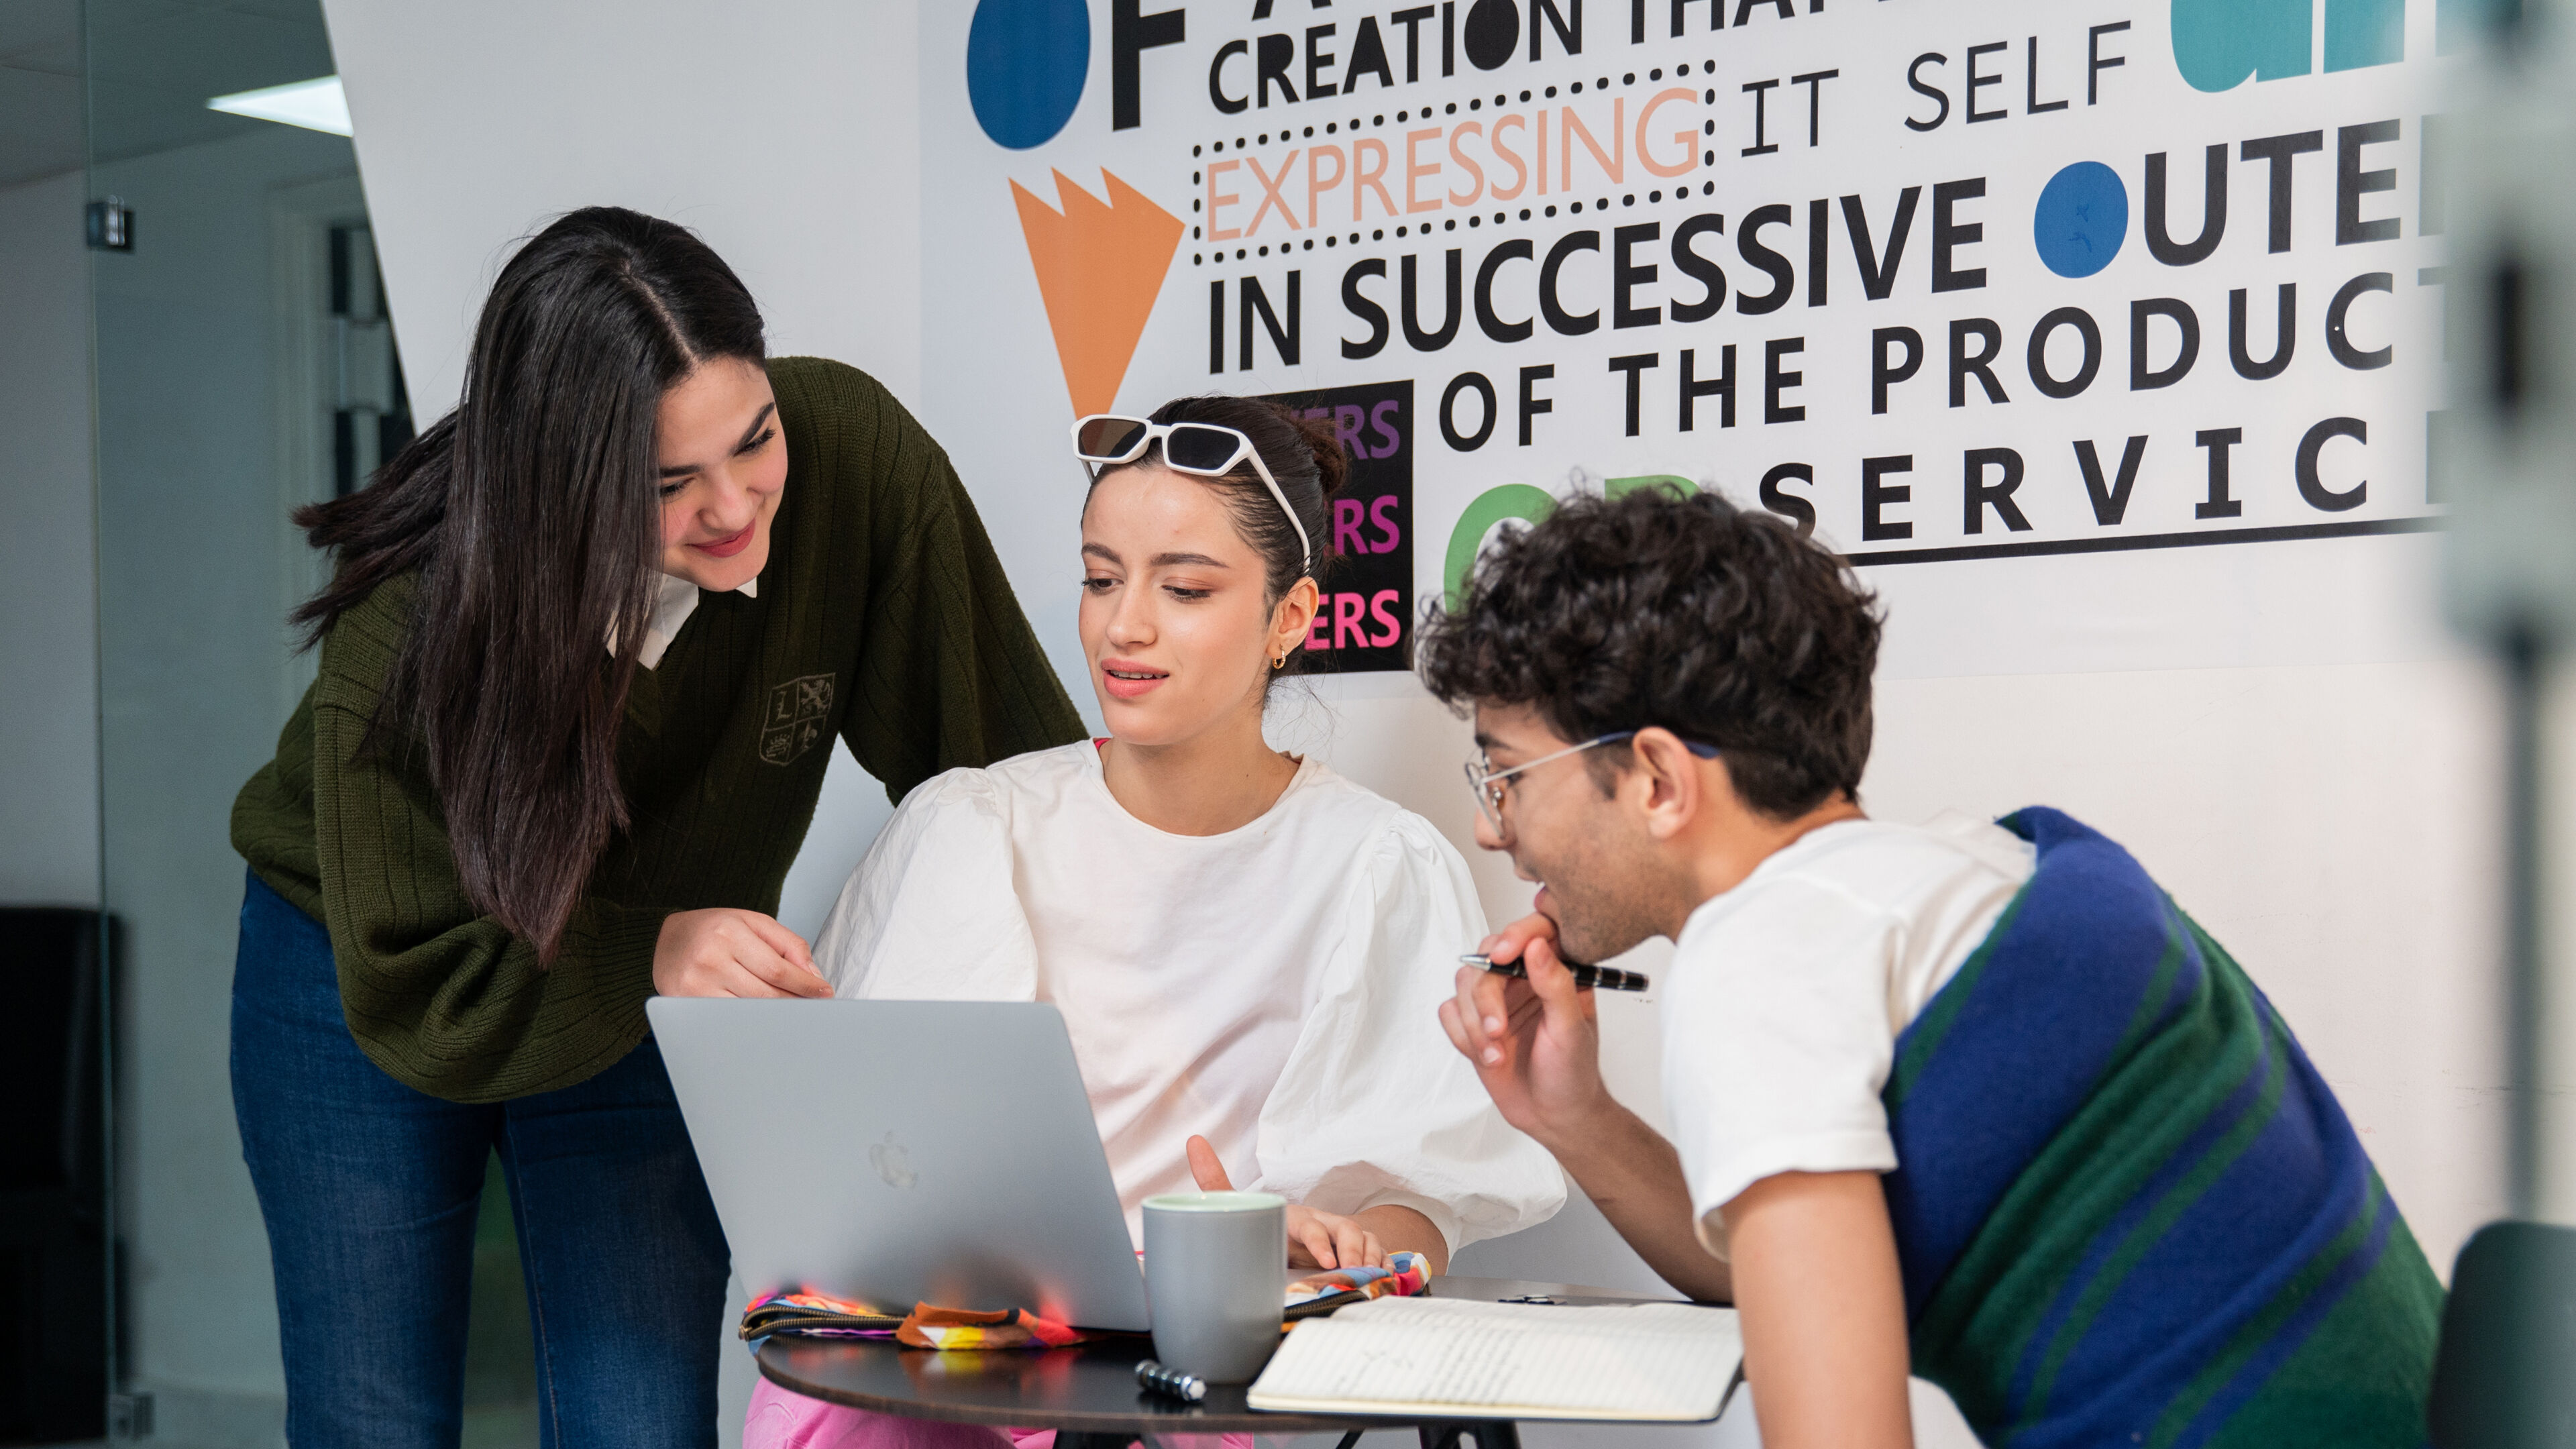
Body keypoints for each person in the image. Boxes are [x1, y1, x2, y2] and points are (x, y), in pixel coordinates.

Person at [228, 207, 1087, 1448]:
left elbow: (1015, 783)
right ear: (555, 489)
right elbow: (416, 971)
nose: (736, 509)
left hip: (660, 995)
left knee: (641, 1420)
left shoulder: (852, 460)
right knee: (376, 1420)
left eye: (753, 441)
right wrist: (648, 953)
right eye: (668, 484)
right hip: (372, 974)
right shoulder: (419, 622)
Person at [1417, 489, 2445, 1448]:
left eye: (1506, 774)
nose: (1488, 824)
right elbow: (1779, 1276)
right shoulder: (1967, 879)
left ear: (1655, 779)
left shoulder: (1767, 957)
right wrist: (1574, 1115)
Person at [746, 397, 1564, 1449]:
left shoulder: (1375, 866)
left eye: (1183, 588)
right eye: (1100, 578)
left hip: (1175, 1390)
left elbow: (1416, 1207)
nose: (1124, 625)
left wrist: (1339, 1254)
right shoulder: (974, 823)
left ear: (1291, 616)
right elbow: (872, 1168)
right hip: (942, 1367)